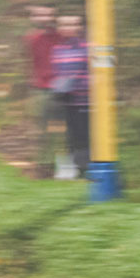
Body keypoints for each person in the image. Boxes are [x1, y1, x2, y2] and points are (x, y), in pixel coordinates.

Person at [50, 13, 90, 178]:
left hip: (85, 100)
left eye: (73, 24)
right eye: (64, 25)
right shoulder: (57, 50)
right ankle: (73, 168)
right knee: (70, 135)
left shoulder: (88, 48)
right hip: (67, 100)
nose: (68, 28)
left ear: (80, 27)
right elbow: (57, 74)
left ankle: (86, 168)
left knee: (85, 134)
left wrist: (78, 83)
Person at [23, 4, 58, 175]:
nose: (44, 18)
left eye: (48, 14)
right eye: (39, 15)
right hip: (39, 87)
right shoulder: (31, 38)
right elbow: (28, 61)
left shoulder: (60, 36)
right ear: (33, 18)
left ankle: (58, 162)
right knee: (40, 127)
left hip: (59, 87)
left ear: (53, 16)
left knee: (59, 127)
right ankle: (43, 164)